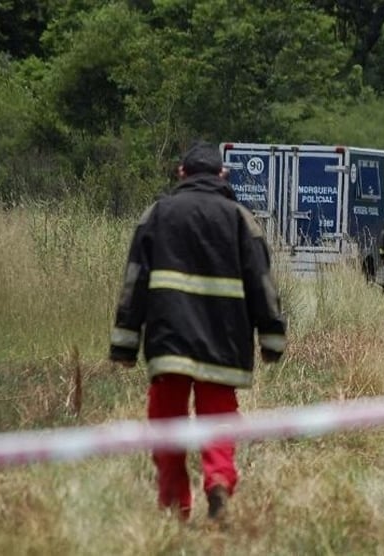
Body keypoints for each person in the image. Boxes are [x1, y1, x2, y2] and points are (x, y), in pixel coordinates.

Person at [109, 141, 287, 523]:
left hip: (168, 338)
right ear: (222, 175)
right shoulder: (240, 218)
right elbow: (262, 281)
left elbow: (134, 279)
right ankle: (219, 480)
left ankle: (175, 505)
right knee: (218, 414)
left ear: (181, 173)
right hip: (223, 339)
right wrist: (271, 337)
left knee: (167, 421)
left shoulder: (157, 214)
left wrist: (125, 341)